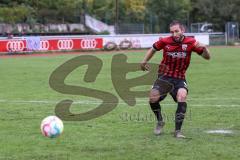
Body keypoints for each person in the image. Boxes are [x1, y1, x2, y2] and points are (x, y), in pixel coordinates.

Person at [140, 20, 210, 138]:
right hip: (164, 76)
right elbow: (153, 49)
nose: (174, 34)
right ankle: (160, 121)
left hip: (179, 78)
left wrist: (205, 48)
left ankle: (177, 131)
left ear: (183, 30)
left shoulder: (191, 42)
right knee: (153, 97)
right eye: (172, 32)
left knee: (182, 96)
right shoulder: (165, 41)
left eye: (176, 31)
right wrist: (144, 61)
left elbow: (207, 57)